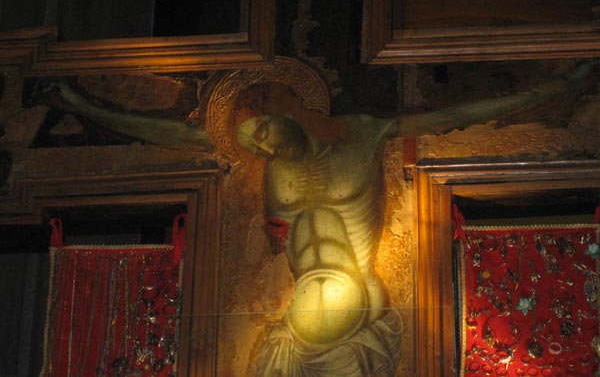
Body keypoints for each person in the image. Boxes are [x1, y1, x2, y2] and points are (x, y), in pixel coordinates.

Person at [42, 61, 595, 376]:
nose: (258, 144)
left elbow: (454, 115)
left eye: (261, 129)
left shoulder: (363, 133)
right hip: (294, 328)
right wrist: (84, 105)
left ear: (290, 107)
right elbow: (176, 135)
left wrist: (559, 88)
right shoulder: (267, 157)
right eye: (252, 140)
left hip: (356, 310)